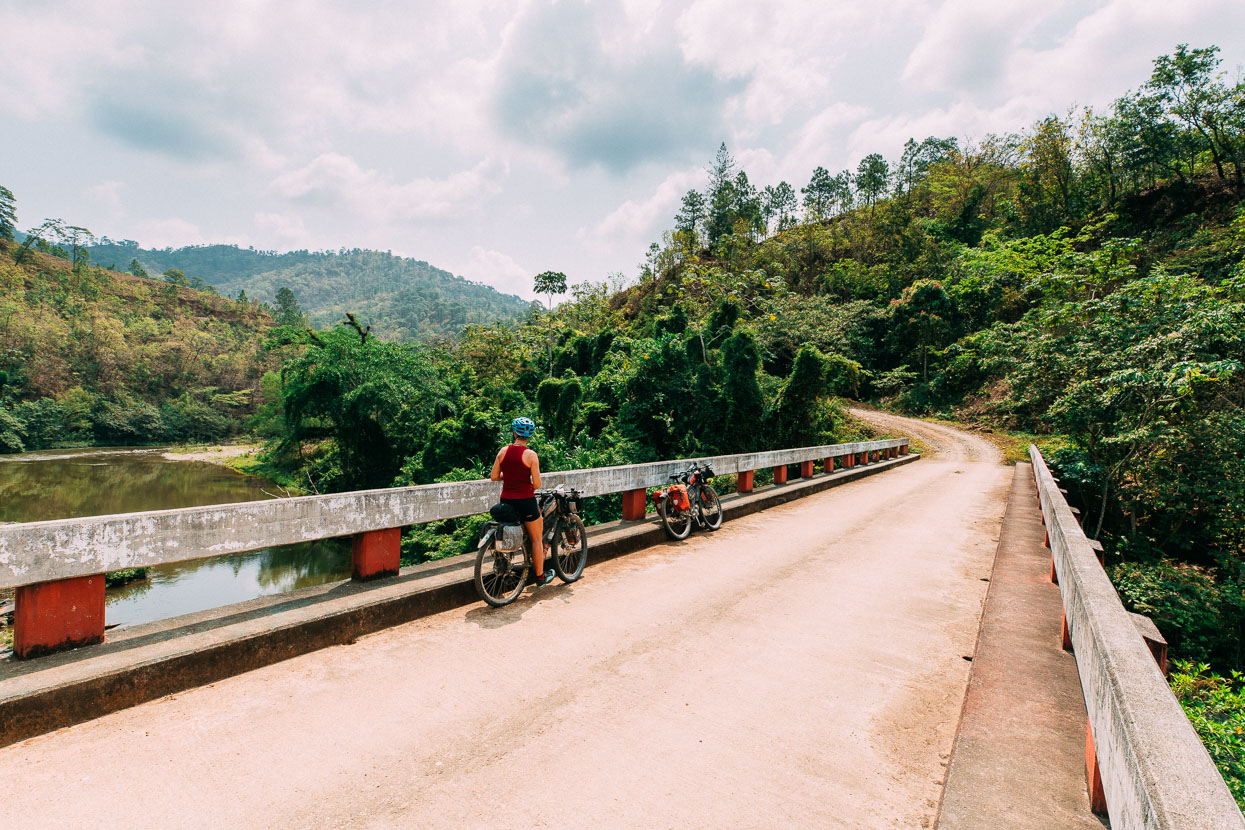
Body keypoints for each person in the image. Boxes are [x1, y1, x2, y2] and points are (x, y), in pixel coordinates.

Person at [490, 417, 554, 588]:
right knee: (536, 538)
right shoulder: (531, 455)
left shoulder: (502, 452)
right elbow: (537, 484)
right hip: (526, 500)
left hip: (506, 500)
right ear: (530, 435)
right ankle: (540, 578)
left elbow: (494, 476)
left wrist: (509, 476)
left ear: (514, 433)